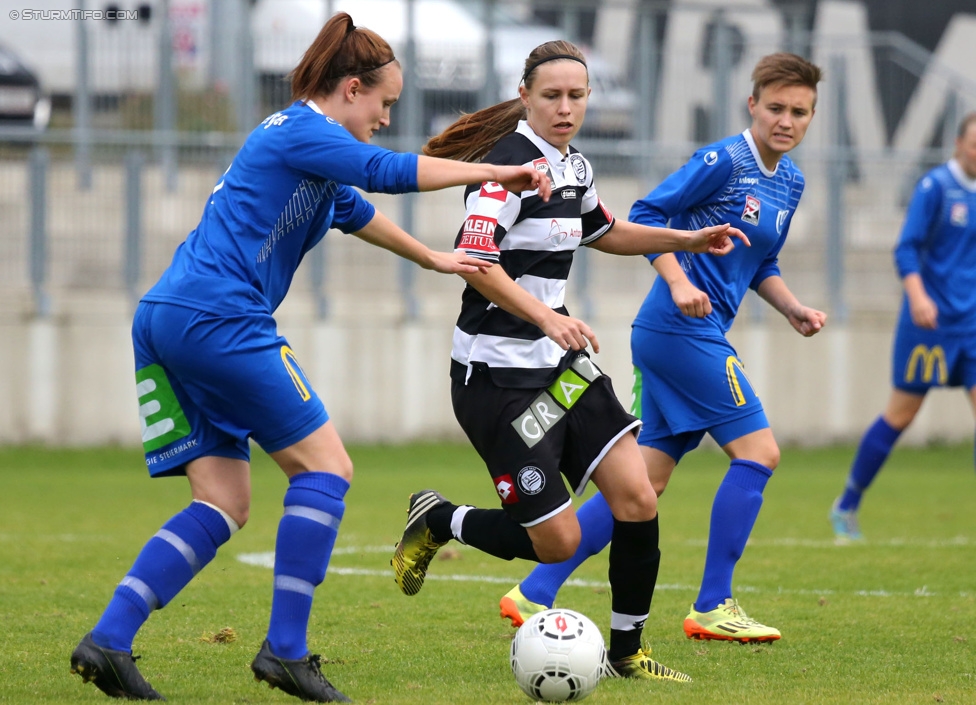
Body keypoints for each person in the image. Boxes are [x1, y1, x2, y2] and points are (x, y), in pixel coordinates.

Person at [68, 12, 556, 703]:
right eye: (385, 102)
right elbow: (383, 173)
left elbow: (357, 208)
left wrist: (432, 258)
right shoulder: (306, 131)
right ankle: (286, 653)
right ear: (351, 88)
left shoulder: (304, 151)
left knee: (223, 500)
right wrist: (502, 168)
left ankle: (108, 640)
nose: (387, 117)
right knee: (327, 467)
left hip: (168, 317)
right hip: (219, 317)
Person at [390, 40, 748, 683]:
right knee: (554, 542)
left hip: (560, 368)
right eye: (551, 95)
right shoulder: (503, 171)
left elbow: (606, 232)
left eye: (576, 96)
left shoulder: (574, 167)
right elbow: (477, 264)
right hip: (495, 377)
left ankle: (627, 653)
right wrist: (549, 317)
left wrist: (687, 239)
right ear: (525, 96)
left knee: (638, 496)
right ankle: (440, 517)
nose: (565, 107)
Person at [497, 52, 826, 644]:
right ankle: (713, 604)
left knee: (644, 485)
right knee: (761, 451)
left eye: (799, 112)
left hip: (691, 333)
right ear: (752, 105)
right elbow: (647, 213)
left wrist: (792, 307)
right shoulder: (724, 161)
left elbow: (760, 259)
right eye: (775, 107)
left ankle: (534, 592)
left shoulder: (792, 181)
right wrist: (677, 280)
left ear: (811, 117)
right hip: (678, 329)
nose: (786, 120)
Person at [830, 113, 976, 543]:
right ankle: (847, 503)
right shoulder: (935, 187)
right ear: (958, 143)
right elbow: (906, 248)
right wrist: (918, 296)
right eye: (974, 144)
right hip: (928, 323)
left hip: (971, 325)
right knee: (901, 415)